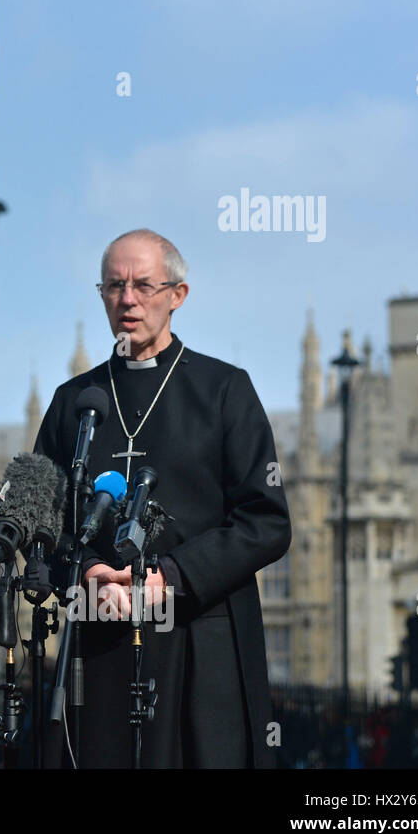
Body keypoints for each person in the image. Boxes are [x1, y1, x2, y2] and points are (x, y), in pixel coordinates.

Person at [34, 229, 291, 768]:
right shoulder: (73, 404)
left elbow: (265, 522)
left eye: (144, 285)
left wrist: (170, 576)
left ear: (177, 295)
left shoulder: (225, 391)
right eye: (114, 285)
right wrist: (86, 572)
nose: (128, 299)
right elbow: (44, 524)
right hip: (99, 647)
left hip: (201, 644)